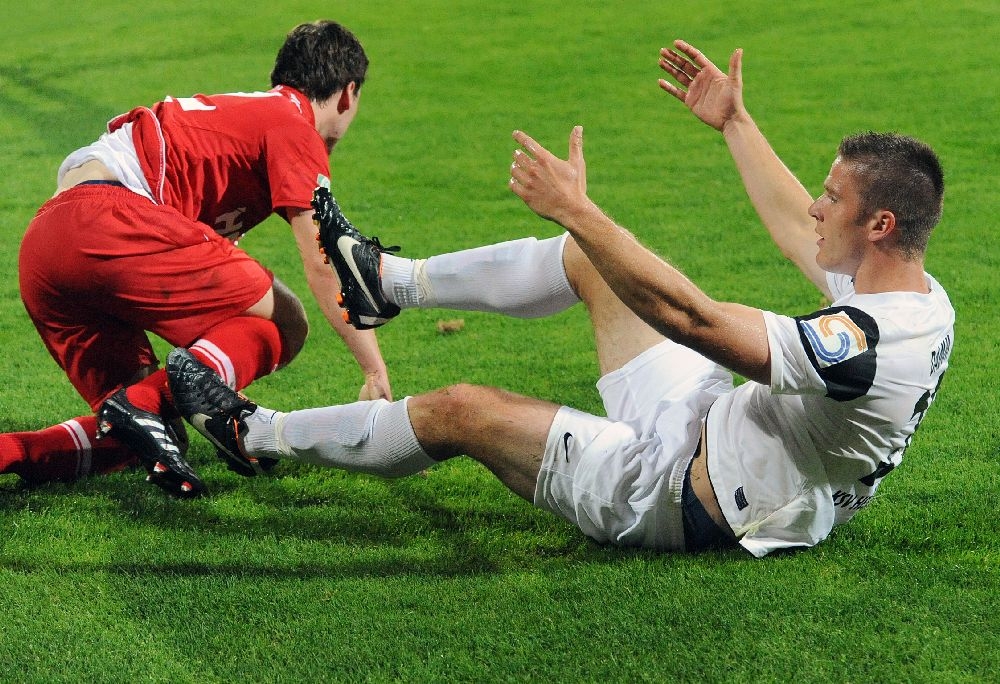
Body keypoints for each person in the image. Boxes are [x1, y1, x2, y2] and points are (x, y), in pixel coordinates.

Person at [166, 39, 954, 556]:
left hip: (690, 496)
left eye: (833, 199)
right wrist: (735, 124)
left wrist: (579, 207)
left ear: (879, 225)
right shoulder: (913, 292)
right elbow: (791, 228)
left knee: (462, 410)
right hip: (721, 424)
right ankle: (386, 281)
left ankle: (252, 431)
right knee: (591, 259)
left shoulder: (866, 345)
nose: (815, 207)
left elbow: (694, 320)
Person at [1, 21, 391, 497]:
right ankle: (143, 403)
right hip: (109, 219)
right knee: (284, 321)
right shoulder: (293, 125)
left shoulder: (238, 119)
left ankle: (11, 451)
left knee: (135, 436)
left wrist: (222, 392)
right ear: (348, 94)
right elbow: (325, 260)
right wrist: (374, 370)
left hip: (46, 247)